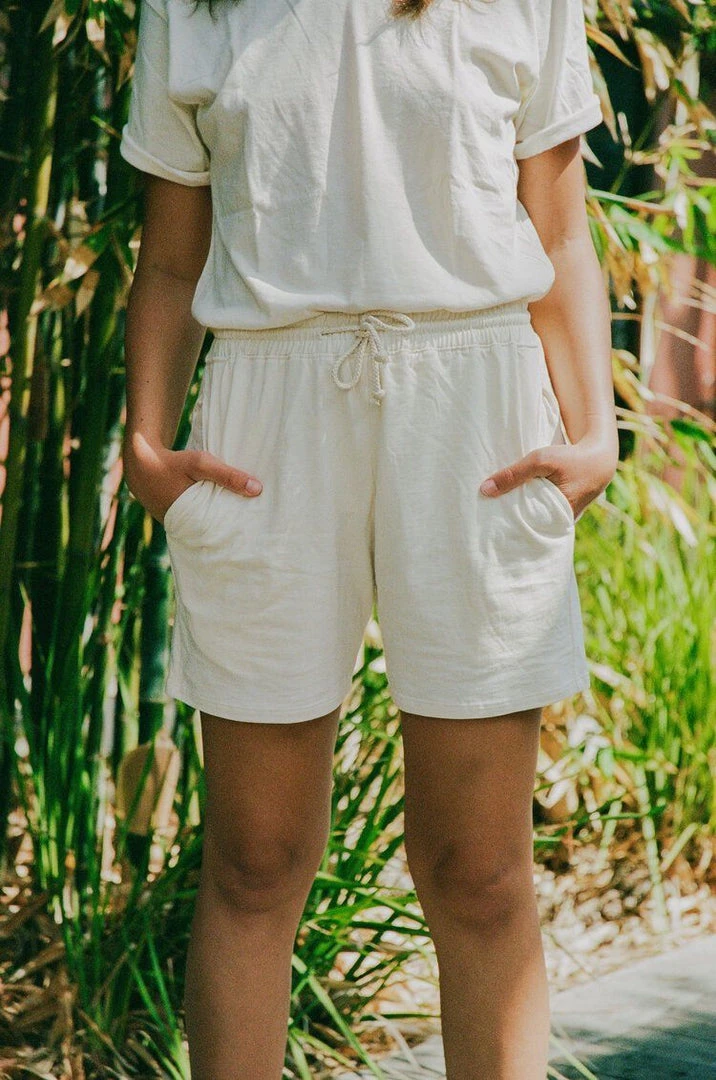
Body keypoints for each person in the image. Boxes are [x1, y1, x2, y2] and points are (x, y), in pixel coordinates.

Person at [119, 0, 619, 1076]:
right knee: (253, 863)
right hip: (269, 412)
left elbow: (560, 227)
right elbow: (168, 257)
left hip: (474, 410)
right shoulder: (192, 5)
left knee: (480, 870)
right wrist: (145, 443)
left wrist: (596, 430)